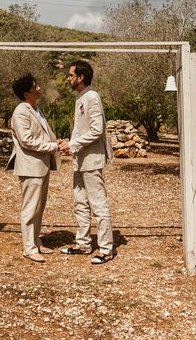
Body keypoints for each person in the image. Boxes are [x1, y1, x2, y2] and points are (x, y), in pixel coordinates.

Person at [58, 60, 115, 264]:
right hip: (79, 160)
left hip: (91, 160)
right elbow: (79, 130)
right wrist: (68, 144)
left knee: (98, 204)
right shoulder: (80, 98)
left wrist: (72, 145)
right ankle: (83, 244)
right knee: (80, 203)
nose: (68, 78)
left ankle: (106, 249)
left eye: (71, 75)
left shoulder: (92, 96)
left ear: (81, 77)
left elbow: (96, 130)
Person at [7, 73, 60, 263]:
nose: (39, 88)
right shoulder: (21, 111)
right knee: (30, 207)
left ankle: (36, 241)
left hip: (41, 166)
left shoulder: (36, 109)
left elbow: (44, 135)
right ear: (26, 92)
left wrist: (57, 143)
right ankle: (29, 248)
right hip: (30, 167)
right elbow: (27, 140)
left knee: (39, 206)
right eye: (35, 86)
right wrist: (54, 147)